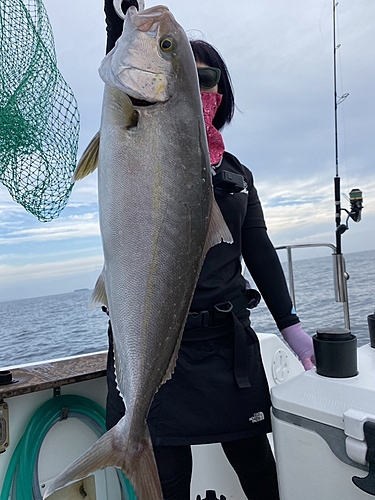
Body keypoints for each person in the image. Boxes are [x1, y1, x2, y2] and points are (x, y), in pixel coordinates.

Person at [103, 2, 315, 499]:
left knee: (259, 470)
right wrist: (122, 17)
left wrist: (291, 325)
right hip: (155, 341)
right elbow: (128, 51)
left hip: (226, 344)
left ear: (223, 91)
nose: (200, 88)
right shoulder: (135, 121)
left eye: (209, 78)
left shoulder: (237, 174)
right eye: (189, 75)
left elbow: (258, 251)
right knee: (171, 480)